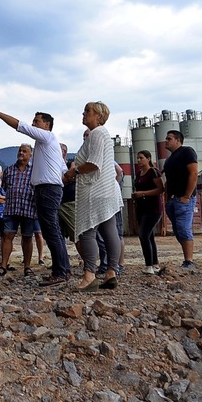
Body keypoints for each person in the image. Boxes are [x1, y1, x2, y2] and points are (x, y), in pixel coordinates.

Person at [0, 103, 71, 286]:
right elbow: (64, 170)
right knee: (52, 230)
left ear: (46, 124)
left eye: (36, 121)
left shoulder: (46, 137)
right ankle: (63, 269)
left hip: (47, 189)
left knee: (51, 231)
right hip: (49, 189)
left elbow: (19, 125)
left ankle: (60, 271)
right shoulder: (47, 145)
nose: (33, 123)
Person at [64, 102, 123, 291]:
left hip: (94, 190)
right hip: (107, 190)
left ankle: (89, 274)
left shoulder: (97, 133)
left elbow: (94, 163)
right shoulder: (103, 134)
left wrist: (74, 172)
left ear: (98, 115)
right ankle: (111, 272)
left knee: (86, 232)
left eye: (87, 111)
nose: (83, 114)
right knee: (109, 230)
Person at [162, 130, 199, 269]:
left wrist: (187, 196)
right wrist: (167, 199)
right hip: (172, 200)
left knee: (183, 228)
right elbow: (167, 181)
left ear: (178, 140)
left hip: (183, 199)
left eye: (169, 138)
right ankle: (186, 260)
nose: (166, 141)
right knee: (178, 230)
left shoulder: (187, 152)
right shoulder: (169, 159)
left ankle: (189, 261)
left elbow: (194, 173)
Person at [0, 144, 36, 277]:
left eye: (24, 151)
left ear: (30, 155)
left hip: (29, 208)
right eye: (20, 151)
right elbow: (4, 187)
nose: (21, 153)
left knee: (27, 237)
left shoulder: (34, 170)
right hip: (11, 208)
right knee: (8, 235)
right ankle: (3, 266)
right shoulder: (9, 170)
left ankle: (27, 267)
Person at [132, 150, 164, 274]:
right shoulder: (139, 174)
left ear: (148, 159)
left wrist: (144, 193)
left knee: (143, 235)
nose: (139, 160)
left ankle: (149, 265)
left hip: (153, 208)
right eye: (137, 158)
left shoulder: (153, 172)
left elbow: (161, 189)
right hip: (141, 208)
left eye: (141, 158)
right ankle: (155, 263)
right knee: (149, 236)